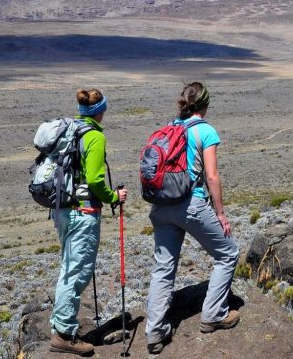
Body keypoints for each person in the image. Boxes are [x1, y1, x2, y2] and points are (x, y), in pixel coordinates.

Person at [145, 82, 240, 354]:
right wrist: (220, 213)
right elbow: (212, 176)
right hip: (191, 204)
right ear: (205, 104)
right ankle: (214, 314)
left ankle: (154, 332)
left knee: (163, 268)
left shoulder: (169, 128)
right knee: (228, 253)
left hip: (161, 206)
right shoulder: (205, 130)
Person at [49, 88, 128, 356]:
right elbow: (95, 180)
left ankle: (61, 327)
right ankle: (64, 335)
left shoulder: (70, 131)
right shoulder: (94, 136)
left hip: (62, 210)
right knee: (77, 273)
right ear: (100, 111)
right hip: (83, 213)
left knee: (68, 268)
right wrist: (113, 196)